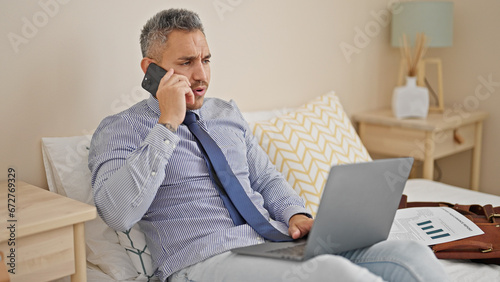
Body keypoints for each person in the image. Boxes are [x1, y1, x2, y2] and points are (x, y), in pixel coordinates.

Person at [89, 8, 450, 282]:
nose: (201, 75)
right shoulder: (122, 129)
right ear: (150, 69)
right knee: (333, 274)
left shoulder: (226, 113)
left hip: (273, 242)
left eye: (206, 59)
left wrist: (296, 214)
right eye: (186, 62)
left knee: (410, 255)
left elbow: (266, 179)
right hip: (201, 260)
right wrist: (168, 122)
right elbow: (117, 212)